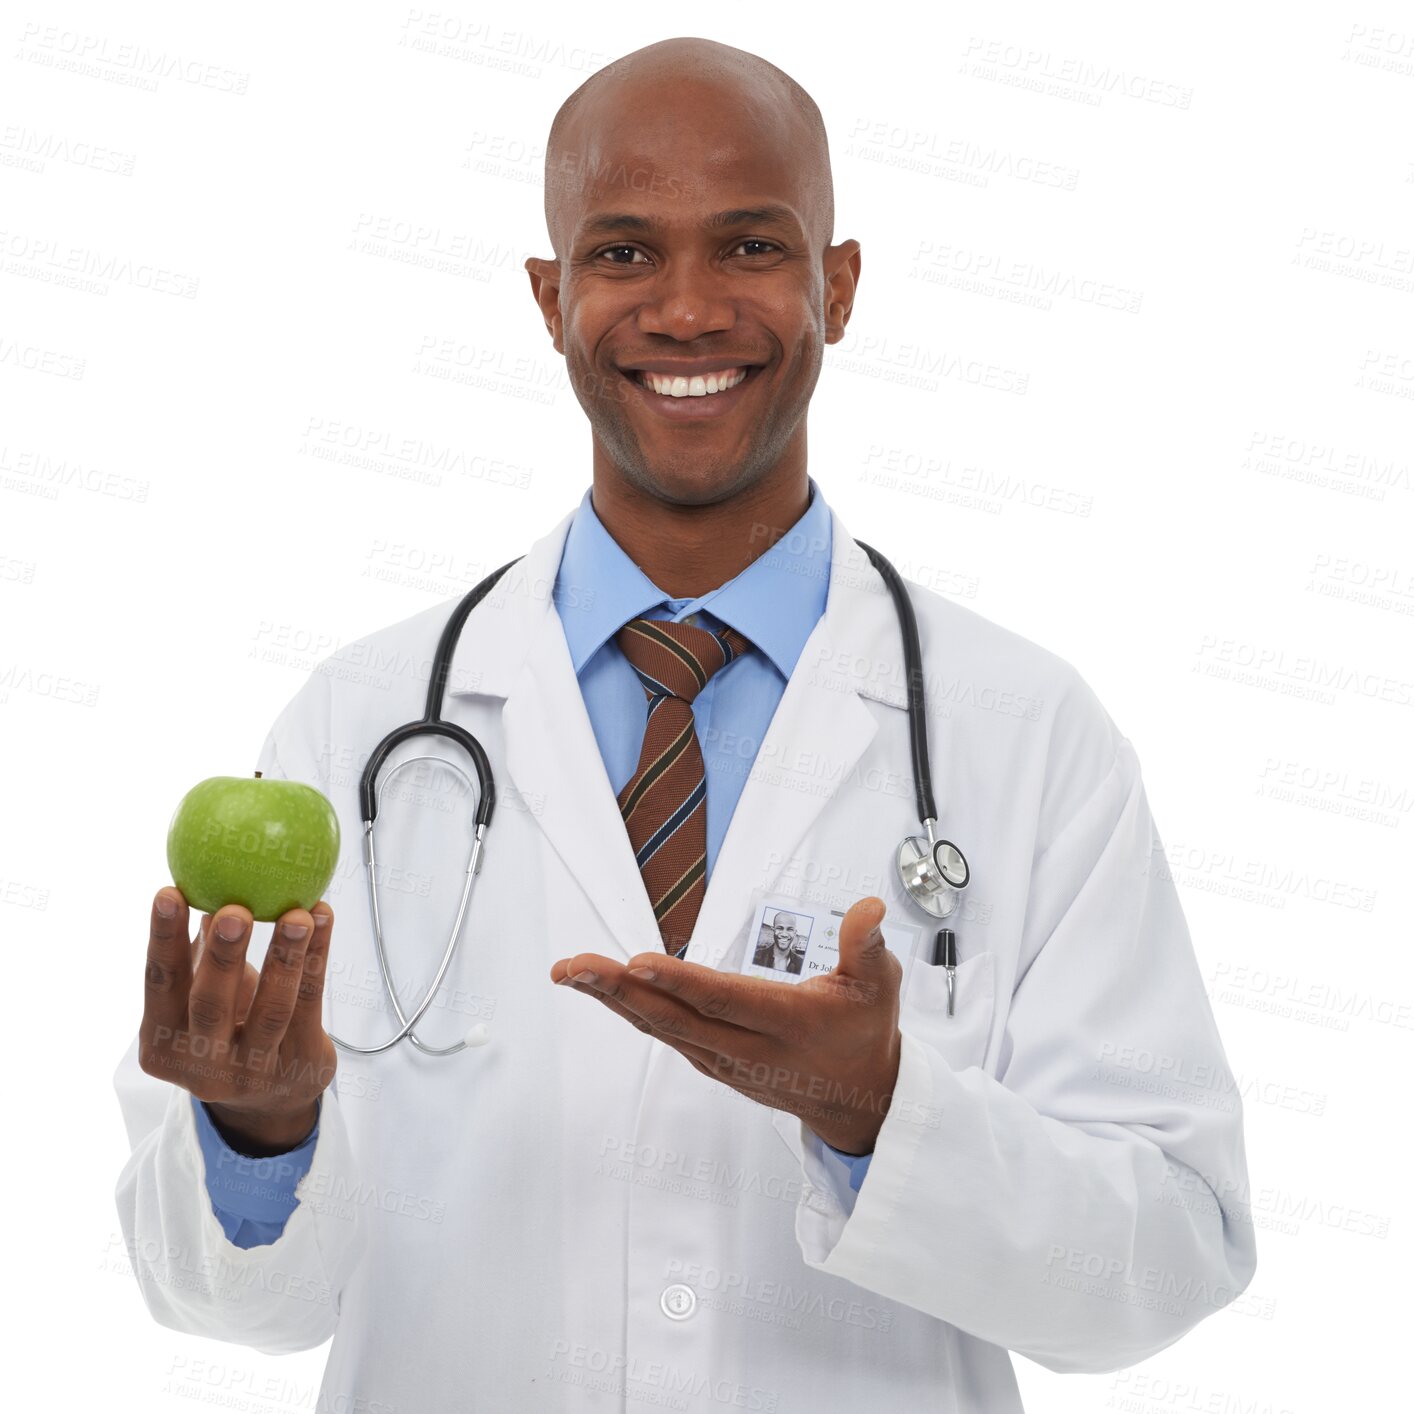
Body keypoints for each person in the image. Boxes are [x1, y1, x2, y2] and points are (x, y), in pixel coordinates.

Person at [114, 36, 1256, 1413]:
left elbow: (1171, 1256)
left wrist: (880, 1114)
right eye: (623, 255)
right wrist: (256, 1126)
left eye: (751, 247)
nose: (689, 308)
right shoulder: (360, 727)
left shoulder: (1025, 733)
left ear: (837, 284)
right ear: (549, 298)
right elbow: (235, 1304)